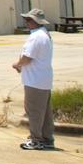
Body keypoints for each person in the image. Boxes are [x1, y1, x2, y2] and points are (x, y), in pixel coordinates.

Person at [12, 8, 55, 150]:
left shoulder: (36, 36)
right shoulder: (44, 34)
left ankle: (36, 139)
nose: (26, 22)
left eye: (29, 20)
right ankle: (47, 139)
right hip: (43, 79)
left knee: (34, 111)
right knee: (45, 113)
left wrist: (17, 65)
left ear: (36, 21)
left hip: (34, 80)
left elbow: (27, 57)